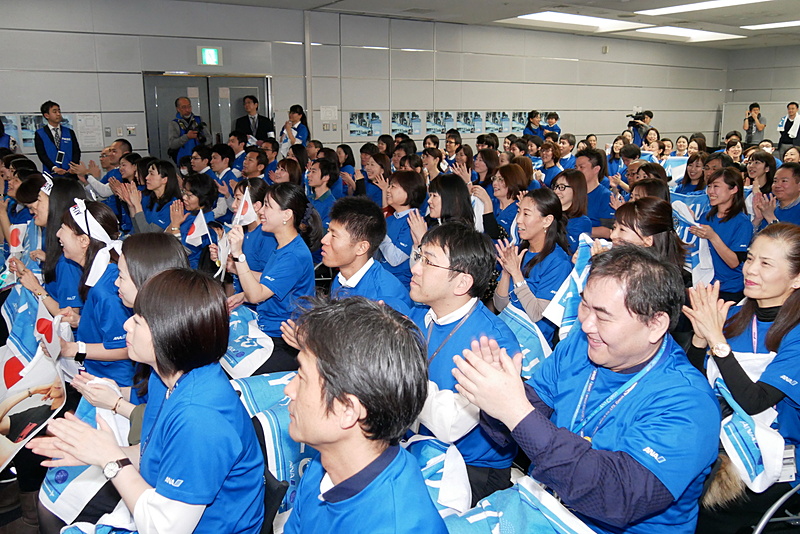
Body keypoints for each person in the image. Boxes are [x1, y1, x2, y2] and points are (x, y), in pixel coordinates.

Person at [454, 245, 719, 533]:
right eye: (584, 305)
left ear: (655, 325)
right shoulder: (579, 348)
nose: (586, 324)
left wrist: (515, 410)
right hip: (545, 503)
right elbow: (514, 431)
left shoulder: (688, 402)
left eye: (603, 316)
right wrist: (494, 398)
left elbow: (617, 498)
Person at [29, 269, 265, 534]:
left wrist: (111, 459)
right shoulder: (168, 377)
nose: (127, 325)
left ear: (171, 332)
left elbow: (163, 528)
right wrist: (95, 453)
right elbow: (156, 454)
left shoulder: (199, 417)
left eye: (139, 321)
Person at [281, 297, 446, 534]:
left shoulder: (397, 526)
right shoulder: (327, 463)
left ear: (348, 410)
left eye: (302, 378)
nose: (289, 390)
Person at [683, 224, 800, 533]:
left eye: (766, 263)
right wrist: (698, 340)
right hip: (717, 437)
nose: (751, 270)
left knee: (685, 499)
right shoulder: (735, 316)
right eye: (750, 258)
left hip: (776, 459)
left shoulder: (796, 333)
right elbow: (691, 385)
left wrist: (717, 343)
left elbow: (754, 401)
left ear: (797, 277)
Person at [408, 222, 520, 504]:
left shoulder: (492, 344)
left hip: (473, 471)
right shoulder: (424, 316)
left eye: (428, 262)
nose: (415, 268)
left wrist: (397, 374)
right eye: (419, 256)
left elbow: (450, 424)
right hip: (424, 446)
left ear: (462, 283)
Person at [228, 182, 321, 372]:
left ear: (286, 215)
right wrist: (242, 296)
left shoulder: (294, 255)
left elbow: (257, 295)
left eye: (268, 206)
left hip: (284, 340)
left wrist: (239, 255)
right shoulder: (283, 245)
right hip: (267, 328)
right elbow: (265, 284)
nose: (261, 211)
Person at [58, 200, 134, 386]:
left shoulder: (108, 289)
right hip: (99, 375)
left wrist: (73, 349)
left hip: (115, 383)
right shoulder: (100, 272)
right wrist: (80, 321)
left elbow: (126, 348)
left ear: (84, 240)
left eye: (63, 229)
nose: (58, 234)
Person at [494, 188, 572, 345]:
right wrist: (506, 273)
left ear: (547, 220)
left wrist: (516, 274)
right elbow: (500, 306)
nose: (518, 220)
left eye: (526, 214)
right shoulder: (519, 251)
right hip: (507, 333)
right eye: (518, 212)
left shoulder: (558, 263)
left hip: (532, 344)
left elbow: (537, 315)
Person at [319, 197, 412, 314]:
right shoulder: (341, 279)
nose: (324, 240)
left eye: (334, 235)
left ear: (361, 248)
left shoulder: (385, 299)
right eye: (328, 232)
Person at [690, 168, 753, 303]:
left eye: (716, 186)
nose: (711, 191)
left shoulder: (742, 223)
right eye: (709, 186)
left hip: (728, 290)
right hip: (704, 283)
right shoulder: (706, 217)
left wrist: (713, 237)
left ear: (733, 189)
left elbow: (734, 262)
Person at [376, 170, 426, 288]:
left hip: (400, 285)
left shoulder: (414, 221)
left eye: (393, 187)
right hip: (382, 279)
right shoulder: (389, 219)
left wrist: (380, 232)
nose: (388, 190)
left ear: (409, 191)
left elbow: (395, 259)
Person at [120, 159, 181, 234]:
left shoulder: (173, 205)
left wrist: (137, 205)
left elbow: (149, 234)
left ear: (164, 179)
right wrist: (132, 206)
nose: (147, 177)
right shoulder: (152, 200)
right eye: (148, 173)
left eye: (151, 174)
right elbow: (138, 229)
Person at [34, 101, 81, 177]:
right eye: (54, 112)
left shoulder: (69, 132)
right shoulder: (40, 133)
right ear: (46, 115)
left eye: (59, 111)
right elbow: (42, 154)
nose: (58, 114)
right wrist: (54, 168)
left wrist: (74, 167)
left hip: (69, 173)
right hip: (51, 173)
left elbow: (76, 151)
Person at [552, 169, 592, 253]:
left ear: (576, 190)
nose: (556, 191)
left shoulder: (582, 222)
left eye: (562, 187)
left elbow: (569, 251)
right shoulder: (549, 213)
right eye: (555, 187)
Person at [753, 161, 800, 228]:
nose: (777, 185)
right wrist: (758, 219)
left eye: (784, 181)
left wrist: (770, 217)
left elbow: (789, 238)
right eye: (775, 181)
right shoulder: (768, 203)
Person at [167, 97, 206, 164]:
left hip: (200, 160)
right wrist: (187, 137)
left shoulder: (198, 120)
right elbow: (172, 144)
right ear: (178, 109)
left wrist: (201, 139)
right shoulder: (174, 123)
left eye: (189, 106)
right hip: (184, 161)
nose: (187, 110)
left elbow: (209, 139)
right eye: (184, 107)